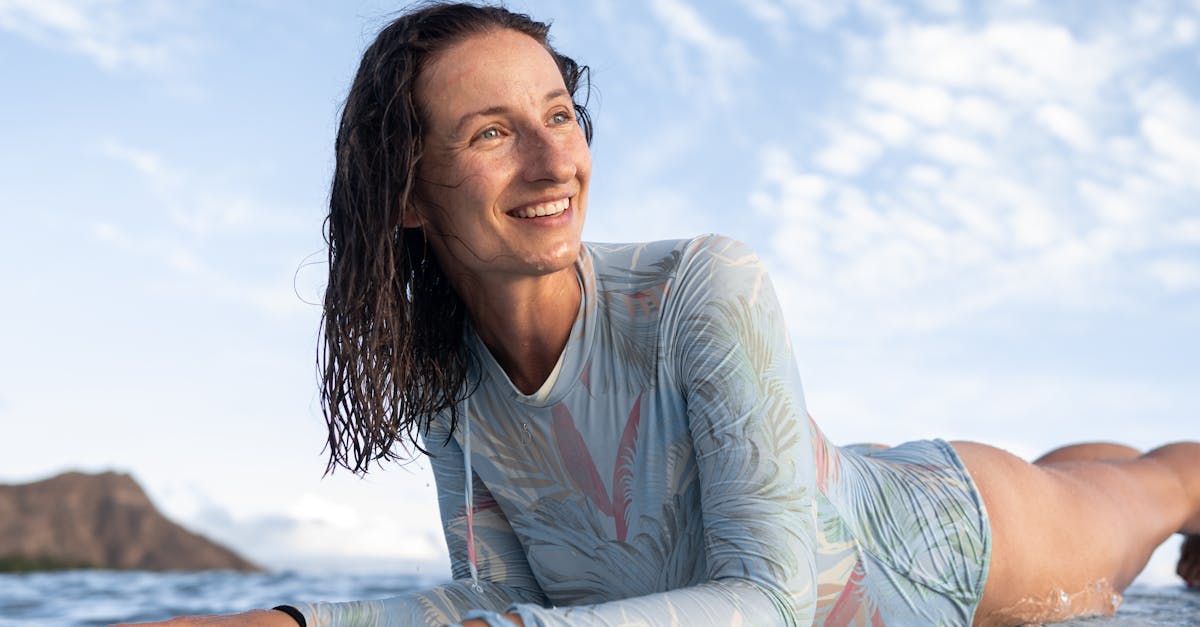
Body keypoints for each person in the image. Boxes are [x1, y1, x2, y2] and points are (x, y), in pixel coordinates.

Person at [124, 3, 1200, 626]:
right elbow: (489, 602)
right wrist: (286, 622)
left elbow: (773, 606)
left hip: (954, 541)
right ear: (407, 191)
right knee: (1097, 470)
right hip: (822, 483)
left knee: (1155, 495)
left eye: (559, 113)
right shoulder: (444, 378)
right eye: (493, 132)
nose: (557, 160)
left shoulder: (700, 287)